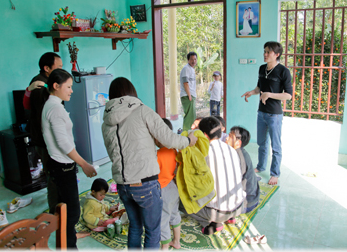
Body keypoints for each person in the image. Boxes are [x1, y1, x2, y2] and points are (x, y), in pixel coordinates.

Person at [101, 77, 197, 249]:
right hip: (145, 183)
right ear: (132, 93)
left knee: (135, 227)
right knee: (153, 231)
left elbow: (113, 153)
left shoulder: (105, 123)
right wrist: (188, 141)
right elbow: (168, 138)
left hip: (123, 185)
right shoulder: (142, 110)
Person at [41, 68, 97, 248]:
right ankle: (68, 246)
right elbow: (64, 145)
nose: (71, 90)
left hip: (58, 164)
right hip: (61, 166)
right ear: (56, 86)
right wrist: (84, 164)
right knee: (71, 212)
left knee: (64, 207)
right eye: (69, 87)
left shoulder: (53, 105)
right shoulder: (55, 109)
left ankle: (67, 237)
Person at [241, 41, 292, 185]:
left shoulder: (283, 71)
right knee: (261, 143)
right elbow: (259, 88)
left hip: (274, 114)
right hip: (261, 113)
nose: (265, 54)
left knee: (275, 146)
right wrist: (252, 92)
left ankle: (275, 173)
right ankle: (261, 166)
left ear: (277, 55)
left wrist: (269, 94)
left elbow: (288, 95)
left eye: (268, 52)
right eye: (264, 51)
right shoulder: (262, 68)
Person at [186, 116, 245, 235]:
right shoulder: (232, 150)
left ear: (204, 135)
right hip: (239, 206)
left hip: (217, 211)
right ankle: (230, 218)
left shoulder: (203, 153)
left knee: (182, 202)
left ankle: (210, 223)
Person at [25, 52, 63, 215]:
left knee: (56, 174)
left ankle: (60, 206)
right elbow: (47, 115)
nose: (62, 70)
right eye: (59, 67)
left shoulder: (48, 82)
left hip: (49, 138)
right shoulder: (40, 85)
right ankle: (55, 213)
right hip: (46, 140)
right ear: (47, 68)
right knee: (53, 176)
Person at [156, 118, 181, 250]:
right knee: (174, 214)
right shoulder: (173, 150)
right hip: (173, 187)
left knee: (163, 220)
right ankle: (176, 241)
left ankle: (164, 247)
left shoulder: (157, 155)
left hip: (162, 190)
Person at [226, 126, 261, 213]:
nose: (226, 138)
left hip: (246, 204)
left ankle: (231, 215)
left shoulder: (237, 157)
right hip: (253, 198)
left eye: (230, 136)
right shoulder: (240, 152)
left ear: (238, 143)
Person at [180, 52, 198, 131]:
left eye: (195, 59)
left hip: (190, 95)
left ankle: (188, 135)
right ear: (188, 60)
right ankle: (186, 135)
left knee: (191, 116)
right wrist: (189, 95)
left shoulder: (191, 69)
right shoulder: (186, 69)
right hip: (187, 95)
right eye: (191, 59)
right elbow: (185, 83)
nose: (193, 61)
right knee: (189, 117)